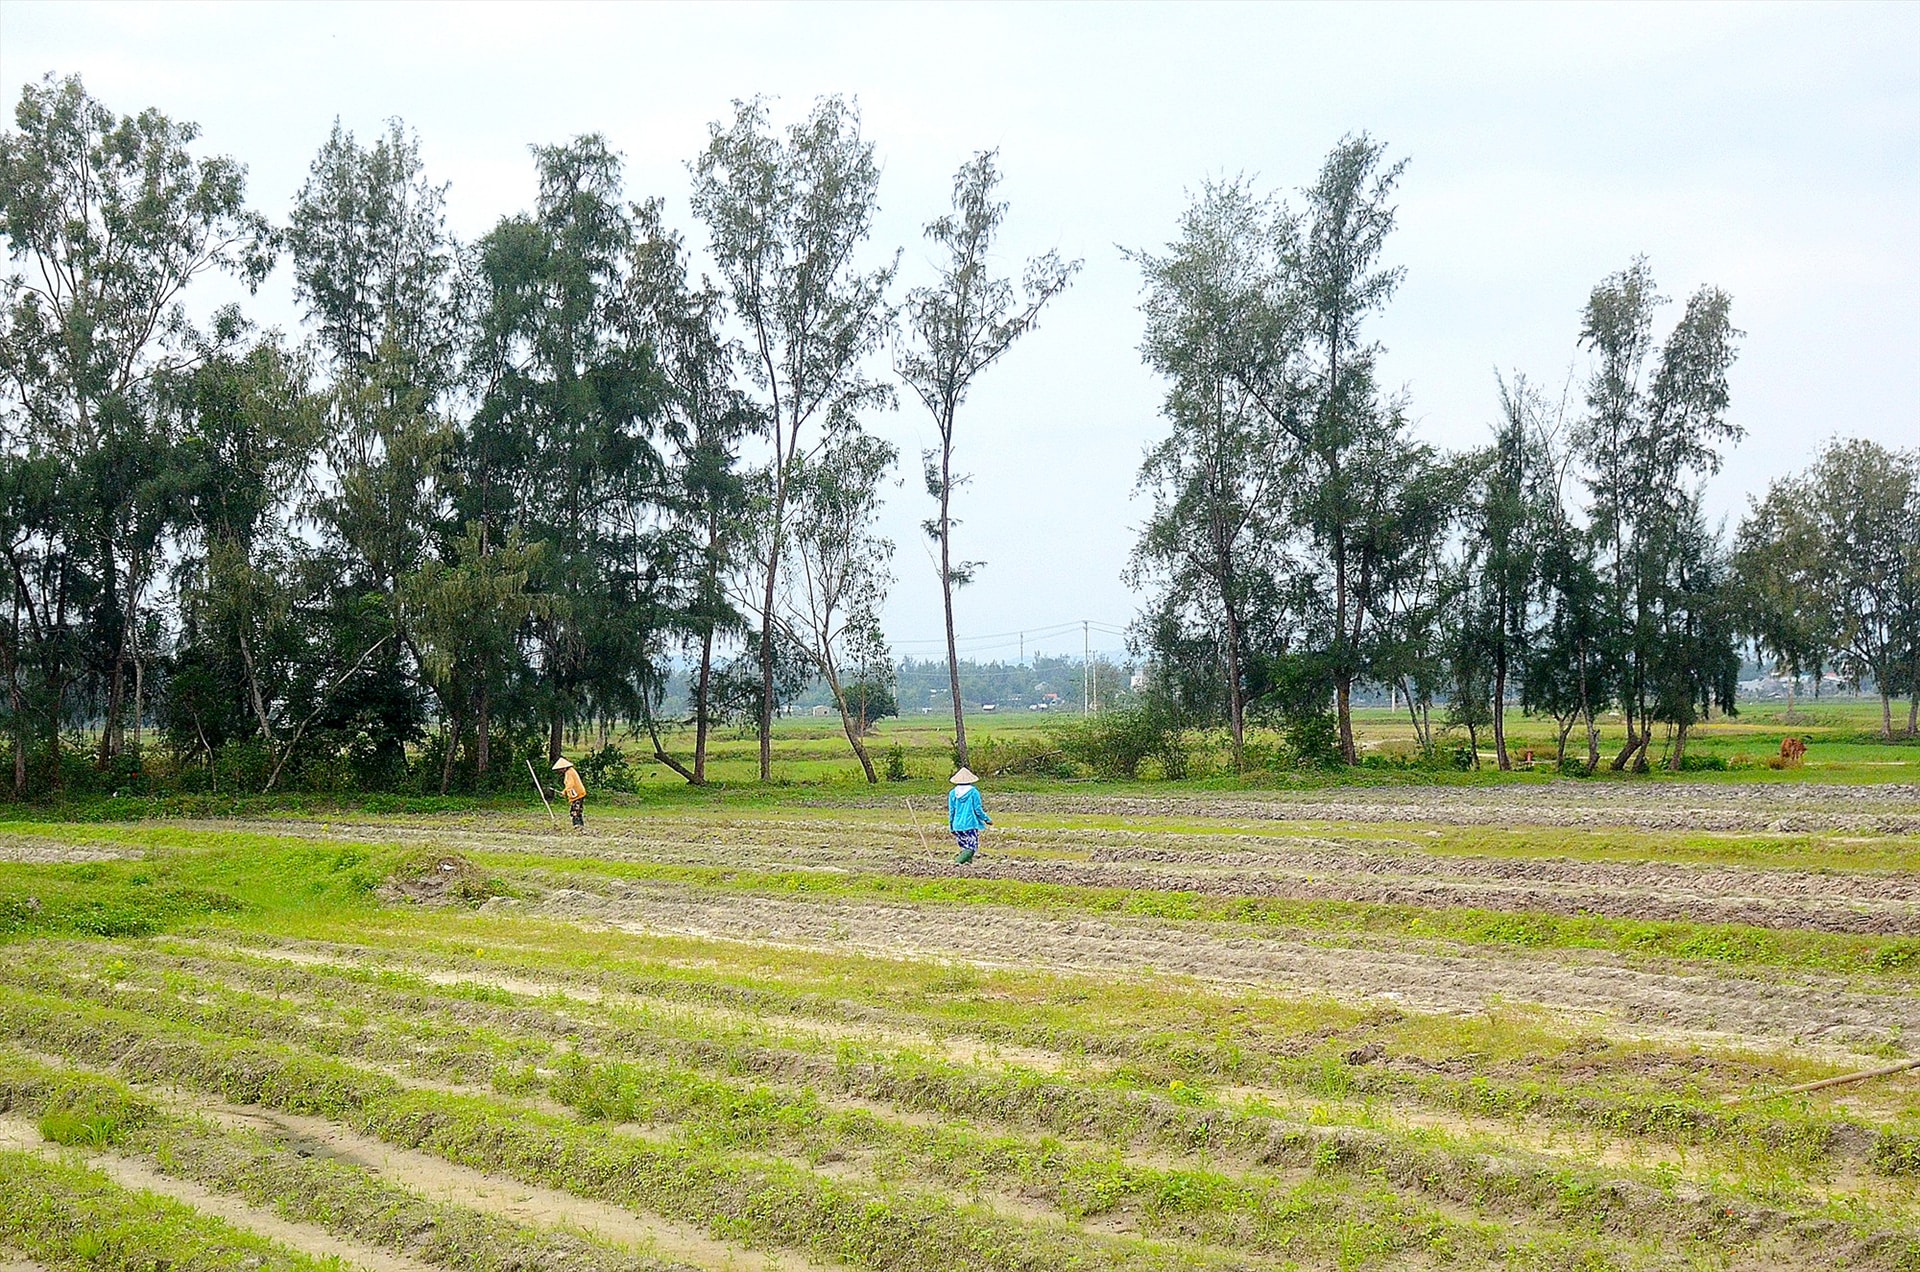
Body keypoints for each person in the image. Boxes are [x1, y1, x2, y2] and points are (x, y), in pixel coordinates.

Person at [948, 766, 991, 864]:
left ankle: (967, 869)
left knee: (964, 847)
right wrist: (986, 819)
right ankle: (956, 863)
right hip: (970, 824)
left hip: (957, 824)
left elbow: (951, 811)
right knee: (971, 848)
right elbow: (977, 809)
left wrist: (951, 826)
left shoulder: (952, 793)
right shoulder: (973, 792)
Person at [551, 756, 588, 828]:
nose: (559, 771)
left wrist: (564, 791)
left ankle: (577, 825)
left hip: (577, 794)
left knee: (574, 811)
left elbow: (570, 784)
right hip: (579, 793)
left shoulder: (569, 773)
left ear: (564, 768)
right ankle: (580, 825)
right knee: (578, 810)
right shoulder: (571, 771)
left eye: (560, 769)